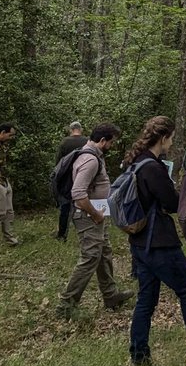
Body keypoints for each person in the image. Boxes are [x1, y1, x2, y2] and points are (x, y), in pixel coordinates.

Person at [124, 116, 186, 366]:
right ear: (163, 138)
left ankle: (139, 357)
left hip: (139, 242)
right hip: (159, 242)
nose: (172, 143)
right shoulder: (153, 167)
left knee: (146, 300)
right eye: (171, 138)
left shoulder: (135, 162)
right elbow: (173, 203)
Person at [56, 123, 132, 319]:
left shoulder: (94, 155)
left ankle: (111, 295)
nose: (112, 146)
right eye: (112, 142)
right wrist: (95, 214)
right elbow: (78, 193)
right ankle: (66, 304)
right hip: (88, 216)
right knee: (90, 257)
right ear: (102, 141)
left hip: (96, 214)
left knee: (104, 252)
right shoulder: (90, 160)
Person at [53, 121, 89, 241]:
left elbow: (58, 162)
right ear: (81, 129)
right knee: (84, 203)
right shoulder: (87, 141)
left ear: (70, 129)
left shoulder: (65, 142)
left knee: (65, 207)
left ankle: (62, 234)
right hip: (83, 176)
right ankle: (86, 232)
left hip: (67, 178)